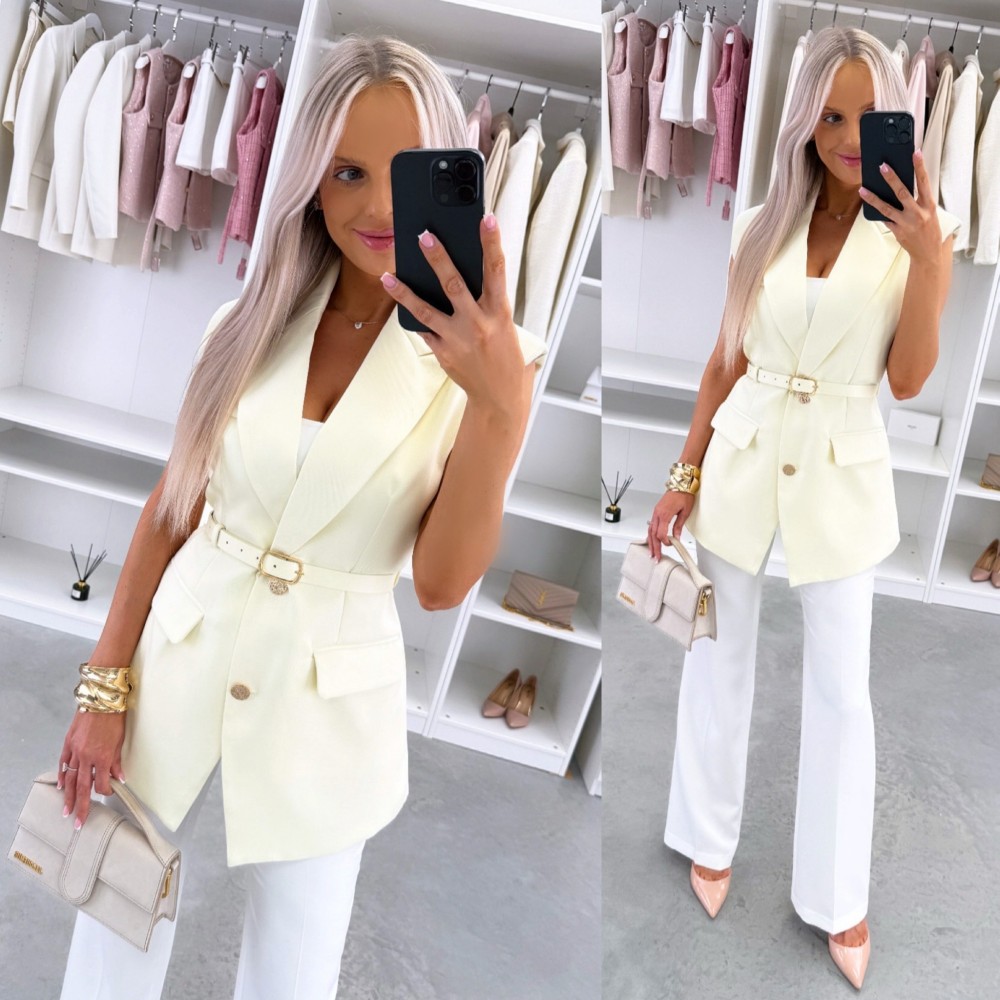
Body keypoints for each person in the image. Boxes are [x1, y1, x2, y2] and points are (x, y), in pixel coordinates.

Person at [54, 35, 546, 999]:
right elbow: (170, 510)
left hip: (331, 703)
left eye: (406, 173)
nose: (379, 206)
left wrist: (498, 411)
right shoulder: (243, 324)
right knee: (110, 912)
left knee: (296, 965)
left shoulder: (492, 366)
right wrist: (102, 689)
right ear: (310, 182)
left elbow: (442, 585)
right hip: (179, 654)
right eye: (347, 172)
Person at [646, 26, 958, 990]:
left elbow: (908, 379)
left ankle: (837, 894)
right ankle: (705, 834)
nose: (850, 138)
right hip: (742, 454)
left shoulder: (919, 234)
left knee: (841, 690)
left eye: (868, 116)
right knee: (715, 654)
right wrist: (682, 478)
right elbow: (723, 362)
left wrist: (930, 262)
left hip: (843, 470)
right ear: (802, 123)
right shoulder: (759, 226)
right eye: (829, 116)